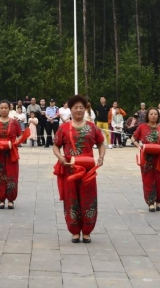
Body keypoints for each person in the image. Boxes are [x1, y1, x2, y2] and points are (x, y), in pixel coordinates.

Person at [53, 95, 105, 244]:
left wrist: (101, 157)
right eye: (75, 107)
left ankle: (87, 231)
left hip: (88, 170)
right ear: (70, 109)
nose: (78, 110)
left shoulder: (92, 127)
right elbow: (56, 146)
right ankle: (75, 231)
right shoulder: (63, 128)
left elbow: (101, 143)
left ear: (85, 109)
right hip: (70, 169)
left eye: (81, 107)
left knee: (89, 199)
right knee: (71, 200)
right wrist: (60, 158)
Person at [132, 107, 160, 212]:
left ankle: (159, 201)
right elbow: (133, 138)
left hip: (159, 157)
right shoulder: (142, 127)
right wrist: (138, 145)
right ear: (147, 116)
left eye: (155, 114)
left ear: (158, 116)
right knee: (148, 179)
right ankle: (150, 202)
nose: (153, 116)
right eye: (151, 114)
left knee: (159, 179)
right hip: (146, 158)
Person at [0, 100, 24, 209]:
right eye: (1, 108)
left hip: (11, 152)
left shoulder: (14, 122)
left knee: (12, 175)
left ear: (9, 109)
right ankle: (1, 199)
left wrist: (16, 142)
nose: (3, 110)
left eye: (6, 108)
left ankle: (11, 199)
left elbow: (21, 135)